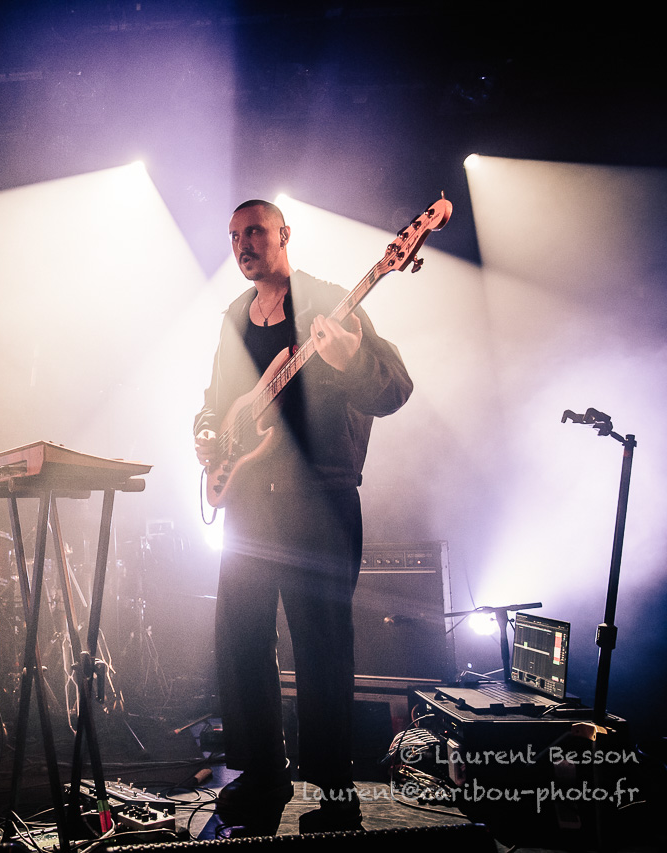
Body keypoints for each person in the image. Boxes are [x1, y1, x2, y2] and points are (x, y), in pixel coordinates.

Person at [194, 200, 412, 836]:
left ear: (285, 234)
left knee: (321, 648)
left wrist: (350, 363)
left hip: (317, 500)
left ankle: (336, 794)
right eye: (234, 236)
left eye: (255, 232)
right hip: (249, 503)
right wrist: (206, 433)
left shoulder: (330, 303)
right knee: (240, 641)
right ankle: (264, 775)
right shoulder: (234, 317)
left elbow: (394, 386)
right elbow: (216, 402)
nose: (243, 244)